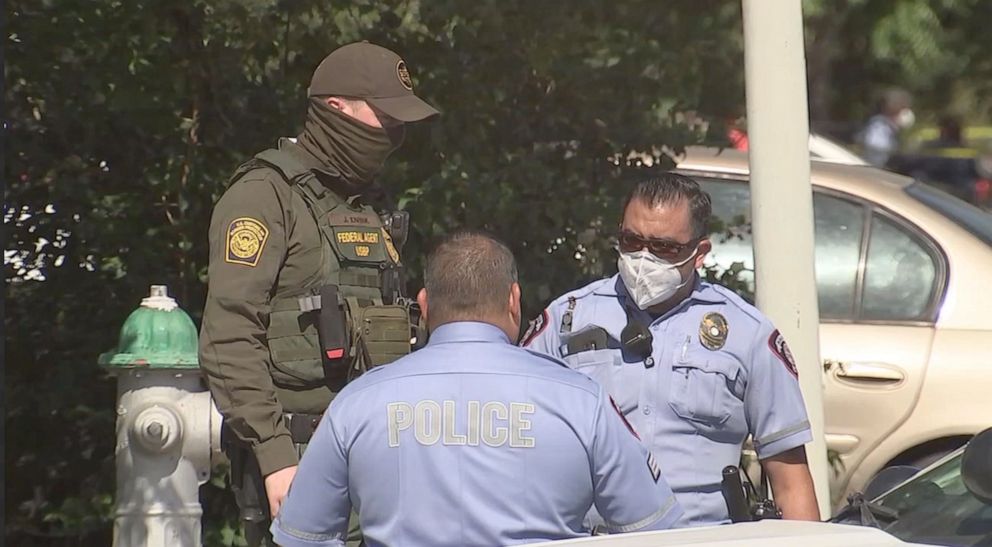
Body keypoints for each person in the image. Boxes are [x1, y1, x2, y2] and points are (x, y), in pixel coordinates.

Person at [271, 231, 684, 547]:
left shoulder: (356, 405)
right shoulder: (581, 401)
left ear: (425, 303)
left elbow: (302, 536)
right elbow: (653, 530)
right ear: (514, 301)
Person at [198, 41, 439, 545]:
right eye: (385, 119)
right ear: (336, 110)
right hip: (302, 463)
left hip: (379, 461)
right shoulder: (265, 196)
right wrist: (274, 455)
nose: (393, 137)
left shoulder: (367, 204)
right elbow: (228, 338)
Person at [522, 174, 820, 527]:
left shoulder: (747, 334)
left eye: (664, 247)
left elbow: (790, 482)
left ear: (699, 254)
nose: (643, 258)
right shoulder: (565, 320)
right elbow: (516, 444)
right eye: (632, 241)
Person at [858, 88, 914, 168]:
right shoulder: (879, 124)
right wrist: (894, 151)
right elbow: (872, 143)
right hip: (872, 167)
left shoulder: (892, 127)